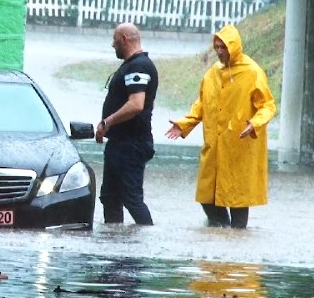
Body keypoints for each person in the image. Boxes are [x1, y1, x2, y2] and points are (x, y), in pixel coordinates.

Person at [165, 23, 276, 229]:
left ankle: (236, 246)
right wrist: (184, 124)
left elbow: (267, 105)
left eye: (223, 47)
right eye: (216, 47)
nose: (219, 52)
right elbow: (201, 104)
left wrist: (255, 123)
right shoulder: (211, 74)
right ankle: (220, 233)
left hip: (239, 148)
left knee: (238, 200)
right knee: (207, 196)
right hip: (214, 147)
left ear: (234, 47)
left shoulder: (252, 72)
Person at [95, 22, 158, 225]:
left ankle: (145, 242)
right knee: (110, 198)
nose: (112, 45)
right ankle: (115, 245)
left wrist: (107, 122)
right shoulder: (132, 66)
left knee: (132, 200)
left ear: (124, 39)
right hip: (120, 144)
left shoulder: (138, 66)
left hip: (131, 145)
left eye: (114, 40)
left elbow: (136, 104)